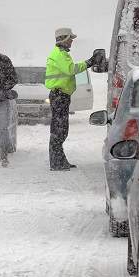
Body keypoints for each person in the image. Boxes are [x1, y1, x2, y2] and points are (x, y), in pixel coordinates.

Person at [45, 28, 99, 171]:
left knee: (60, 129)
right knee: (59, 129)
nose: (72, 41)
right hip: (59, 95)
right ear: (63, 39)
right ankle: (56, 162)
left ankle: (59, 160)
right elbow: (71, 69)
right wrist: (89, 62)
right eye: (70, 38)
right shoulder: (60, 55)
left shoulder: (60, 54)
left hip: (60, 95)